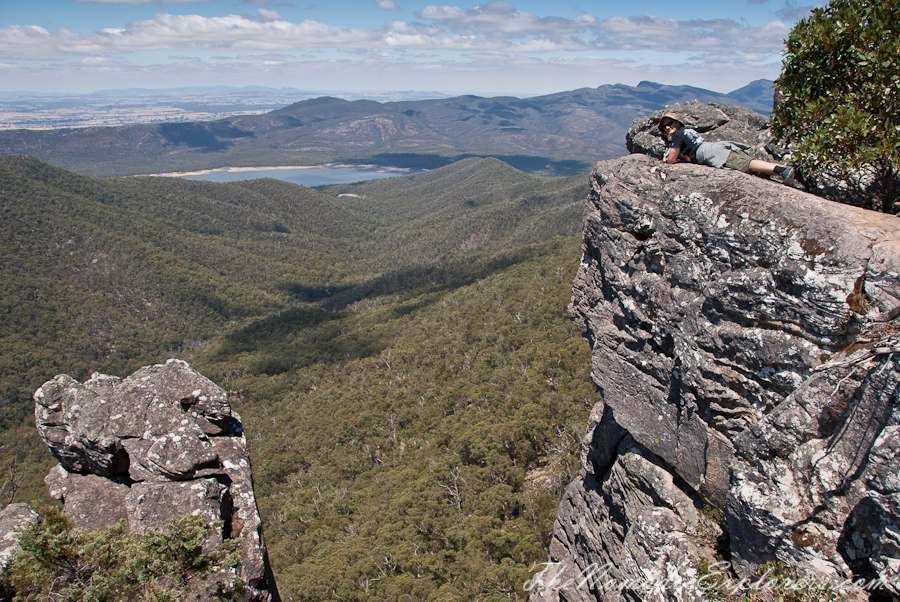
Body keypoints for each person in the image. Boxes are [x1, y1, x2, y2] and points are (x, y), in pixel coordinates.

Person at [658, 111, 796, 186]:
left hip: (712, 153)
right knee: (749, 164)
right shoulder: (687, 131)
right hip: (714, 148)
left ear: (677, 123)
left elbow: (671, 159)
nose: (668, 127)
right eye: (665, 126)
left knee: (746, 164)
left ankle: (783, 170)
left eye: (670, 123)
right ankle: (782, 171)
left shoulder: (677, 135)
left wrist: (666, 159)